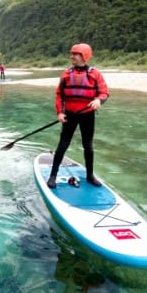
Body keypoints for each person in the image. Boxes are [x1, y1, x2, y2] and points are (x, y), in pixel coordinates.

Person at [47, 43, 109, 189]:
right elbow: (59, 94)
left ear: (84, 56)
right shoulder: (66, 74)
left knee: (88, 146)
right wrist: (60, 112)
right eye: (72, 53)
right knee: (63, 145)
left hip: (87, 115)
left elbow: (104, 92)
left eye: (76, 54)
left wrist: (99, 100)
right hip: (69, 115)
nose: (72, 56)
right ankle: (53, 176)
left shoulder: (95, 74)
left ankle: (90, 175)